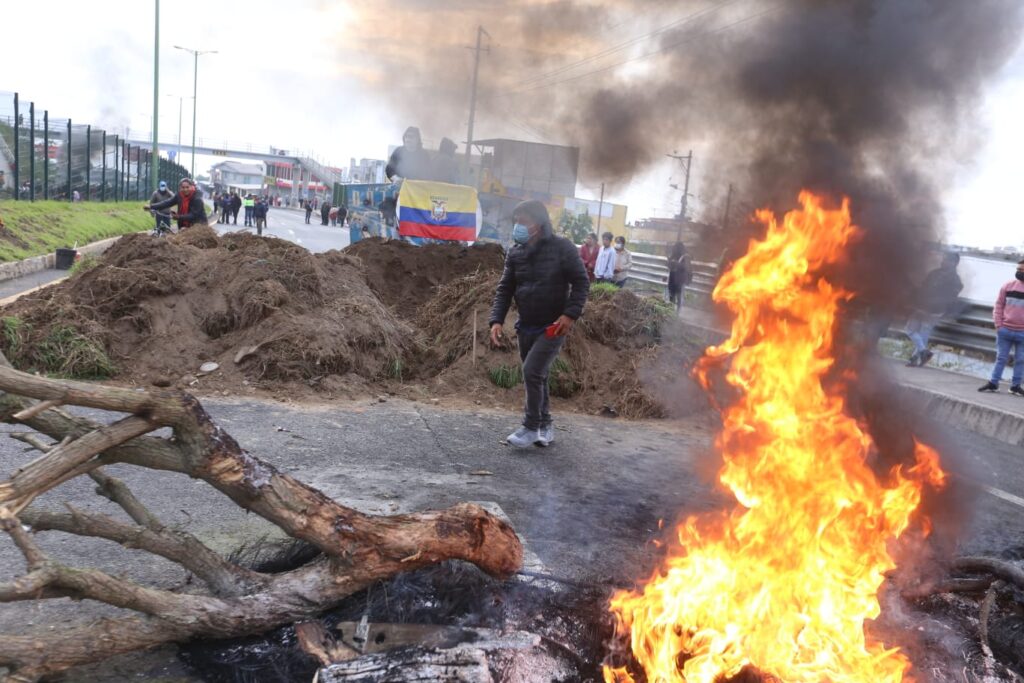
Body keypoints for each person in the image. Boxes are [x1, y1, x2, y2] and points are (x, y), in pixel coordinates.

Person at [489, 199, 590, 449]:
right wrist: (496, 320)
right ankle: (546, 424)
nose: (518, 227)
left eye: (523, 222)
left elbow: (581, 282)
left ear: (539, 223)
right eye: (516, 222)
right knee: (539, 376)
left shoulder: (562, 248)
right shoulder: (516, 253)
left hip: (553, 325)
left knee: (532, 371)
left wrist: (569, 315)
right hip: (526, 325)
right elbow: (505, 289)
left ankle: (531, 426)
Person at [905, 252, 964, 367]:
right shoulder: (935, 273)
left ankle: (915, 358)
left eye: (947, 260)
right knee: (912, 330)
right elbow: (923, 288)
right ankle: (922, 353)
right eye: (943, 259)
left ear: (954, 263)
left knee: (920, 332)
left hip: (934, 310)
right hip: (924, 307)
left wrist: (930, 305)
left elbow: (949, 297)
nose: (943, 261)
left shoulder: (955, 280)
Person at [978, 258, 1024, 396]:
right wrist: (999, 325)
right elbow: (998, 305)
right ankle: (993, 383)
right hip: (1005, 330)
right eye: (1018, 269)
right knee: (1001, 358)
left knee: (1021, 360)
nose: (1019, 272)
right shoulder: (1007, 286)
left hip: (1023, 333)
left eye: (1022, 270)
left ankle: (1015, 386)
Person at [143, 178, 208, 230]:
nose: (185, 189)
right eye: (183, 187)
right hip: (183, 226)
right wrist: (151, 206)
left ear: (191, 187)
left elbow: (193, 215)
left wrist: (178, 217)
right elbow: (167, 203)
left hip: (198, 226)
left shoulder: (197, 198)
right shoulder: (179, 195)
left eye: (187, 187)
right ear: (180, 188)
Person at [667, 241, 692, 311]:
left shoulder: (685, 256)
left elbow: (687, 267)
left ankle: (678, 311)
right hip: (672, 277)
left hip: (679, 279)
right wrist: (669, 262)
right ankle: (671, 310)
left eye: (676, 248)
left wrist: (677, 264)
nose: (675, 249)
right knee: (671, 295)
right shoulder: (673, 255)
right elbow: (669, 266)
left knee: (679, 296)